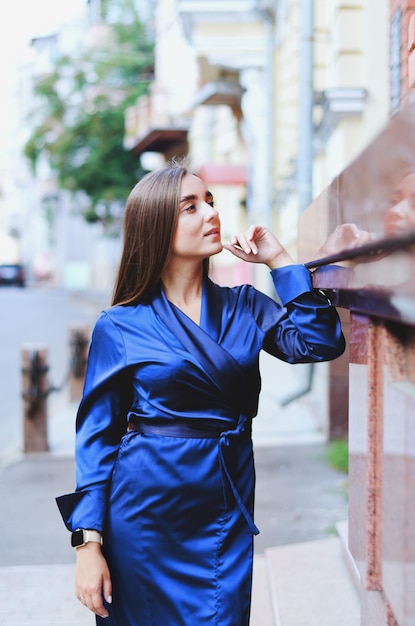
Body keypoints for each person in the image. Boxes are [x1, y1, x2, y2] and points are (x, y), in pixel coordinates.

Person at [57, 162, 345, 625]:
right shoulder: (121, 324)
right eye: (189, 207)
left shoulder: (245, 305)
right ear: (154, 227)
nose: (209, 213)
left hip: (222, 505)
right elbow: (96, 439)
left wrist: (280, 261)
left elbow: (321, 342)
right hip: (143, 514)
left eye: (209, 201)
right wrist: (87, 545)